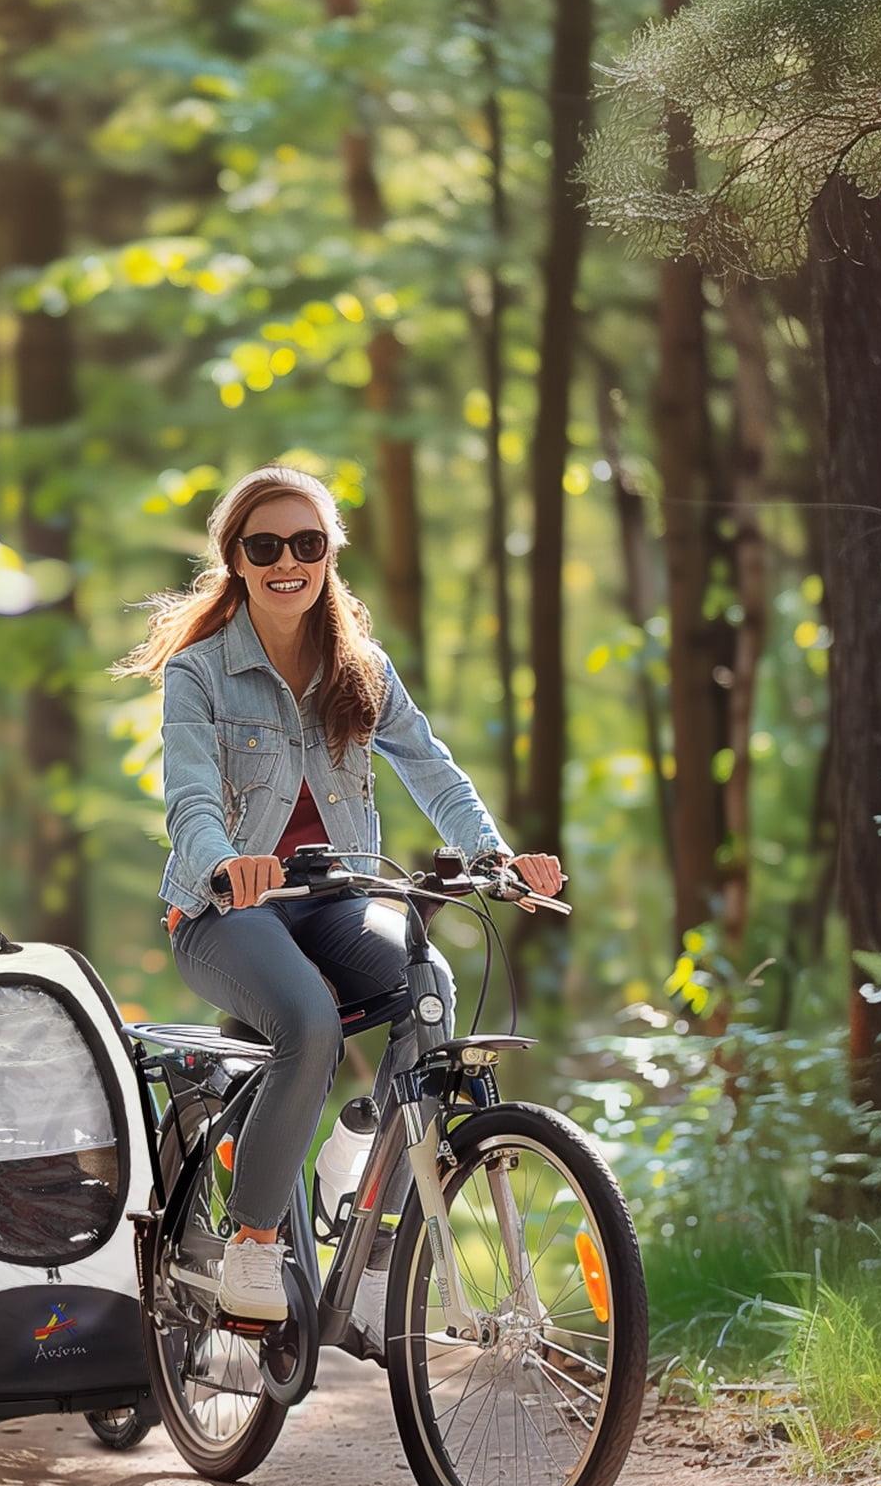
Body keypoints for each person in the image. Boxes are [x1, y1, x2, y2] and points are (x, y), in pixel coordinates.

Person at [113, 464, 565, 1323]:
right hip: (227, 913)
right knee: (310, 1024)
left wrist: (497, 859)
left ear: (330, 556)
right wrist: (223, 864)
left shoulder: (361, 668)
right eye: (266, 545)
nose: (289, 561)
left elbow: (436, 774)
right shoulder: (201, 673)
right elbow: (192, 797)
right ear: (237, 560)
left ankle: (363, 1179)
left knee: (428, 987)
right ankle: (252, 1246)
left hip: (335, 899)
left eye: (308, 544)